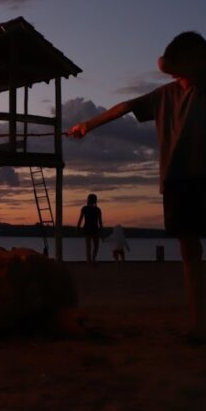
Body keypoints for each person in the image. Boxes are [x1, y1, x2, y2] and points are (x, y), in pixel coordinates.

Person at [68, 31, 206, 341]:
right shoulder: (165, 94)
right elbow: (125, 106)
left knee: (191, 249)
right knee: (189, 250)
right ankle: (200, 324)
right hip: (177, 178)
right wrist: (88, 125)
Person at [77, 194, 103, 265]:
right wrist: (101, 231)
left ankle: (89, 261)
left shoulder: (84, 208)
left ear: (88, 200)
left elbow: (80, 219)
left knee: (88, 246)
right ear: (95, 200)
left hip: (87, 229)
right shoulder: (98, 210)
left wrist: (78, 228)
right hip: (95, 229)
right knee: (96, 245)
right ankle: (93, 259)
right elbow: (100, 222)